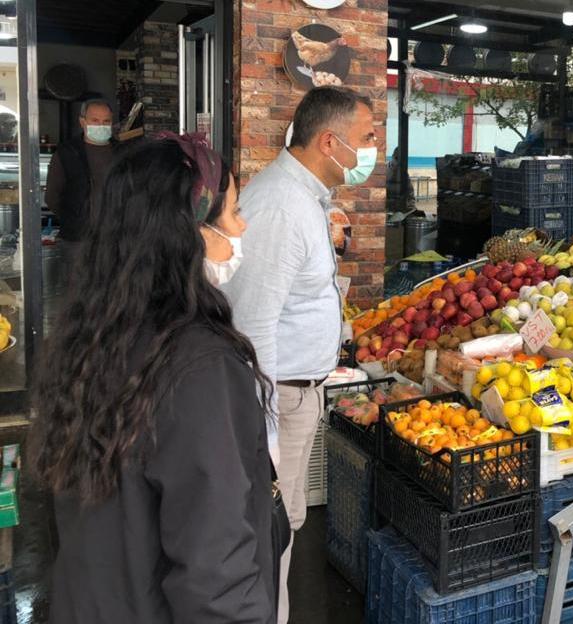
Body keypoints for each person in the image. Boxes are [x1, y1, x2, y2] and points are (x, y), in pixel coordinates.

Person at [29, 135, 277, 623]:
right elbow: (215, 572)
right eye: (232, 212)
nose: (242, 226)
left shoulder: (95, 333)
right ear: (189, 231)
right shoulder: (199, 364)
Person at [222, 85, 377, 623]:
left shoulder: (307, 197)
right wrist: (263, 427)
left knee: (282, 525)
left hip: (295, 393)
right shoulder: (282, 207)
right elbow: (251, 325)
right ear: (330, 141)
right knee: (271, 533)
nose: (372, 151)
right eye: (366, 138)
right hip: (279, 398)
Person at [44, 98, 117, 261]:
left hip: (115, 237)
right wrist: (73, 218)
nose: (101, 125)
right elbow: (52, 197)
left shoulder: (122, 152)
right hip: (77, 239)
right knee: (78, 277)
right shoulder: (67, 153)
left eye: (106, 121)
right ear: (82, 122)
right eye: (95, 120)